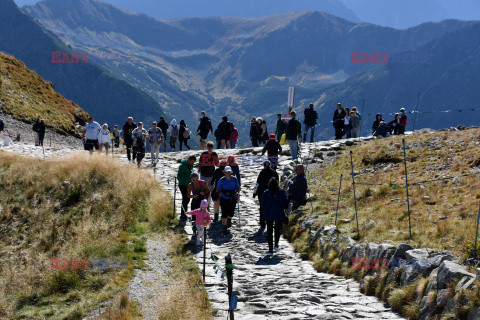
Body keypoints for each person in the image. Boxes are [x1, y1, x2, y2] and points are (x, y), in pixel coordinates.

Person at [260, 178, 288, 255]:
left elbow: (262, 204)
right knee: (277, 230)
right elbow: (285, 203)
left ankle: (270, 250)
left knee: (269, 231)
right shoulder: (281, 192)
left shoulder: (266, 193)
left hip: (268, 214)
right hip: (279, 214)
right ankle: (276, 245)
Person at [254, 161, 279, 234]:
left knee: (262, 208)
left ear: (264, 166)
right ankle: (270, 222)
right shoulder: (274, 173)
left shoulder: (262, 172)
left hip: (262, 193)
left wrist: (254, 192)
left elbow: (257, 183)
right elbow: (278, 183)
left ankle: (262, 223)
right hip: (272, 193)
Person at [216, 166, 240, 235]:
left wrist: (238, 192)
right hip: (224, 198)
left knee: (231, 212)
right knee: (224, 212)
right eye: (227, 172)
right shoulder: (222, 180)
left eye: (229, 172)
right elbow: (218, 188)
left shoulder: (234, 179)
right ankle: (224, 227)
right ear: (225, 172)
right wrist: (219, 191)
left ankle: (229, 219)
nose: (228, 173)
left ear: (231, 172)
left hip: (233, 198)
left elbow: (238, 188)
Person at [177, 155, 196, 221]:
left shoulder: (190, 165)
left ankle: (184, 214)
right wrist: (189, 176)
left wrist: (193, 174)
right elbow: (179, 176)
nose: (192, 164)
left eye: (193, 163)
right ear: (189, 160)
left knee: (187, 199)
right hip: (182, 184)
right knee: (185, 199)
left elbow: (192, 171)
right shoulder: (182, 166)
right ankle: (183, 215)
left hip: (188, 184)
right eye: (192, 162)